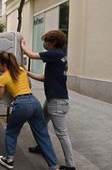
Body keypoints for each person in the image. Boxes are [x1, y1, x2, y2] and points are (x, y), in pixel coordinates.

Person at [0, 52, 59, 170]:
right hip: (34, 102)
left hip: (21, 104)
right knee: (42, 134)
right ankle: (54, 166)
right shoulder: (21, 70)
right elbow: (29, 86)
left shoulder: (2, 78)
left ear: (1, 63)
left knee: (11, 132)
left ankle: (9, 160)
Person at [21, 30, 76, 170]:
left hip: (57, 102)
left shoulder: (56, 54)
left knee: (62, 134)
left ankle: (71, 166)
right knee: (41, 123)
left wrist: (21, 43)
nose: (44, 43)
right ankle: (42, 146)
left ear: (54, 43)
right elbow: (46, 77)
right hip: (54, 100)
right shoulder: (60, 56)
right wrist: (27, 73)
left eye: (46, 41)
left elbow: (31, 55)